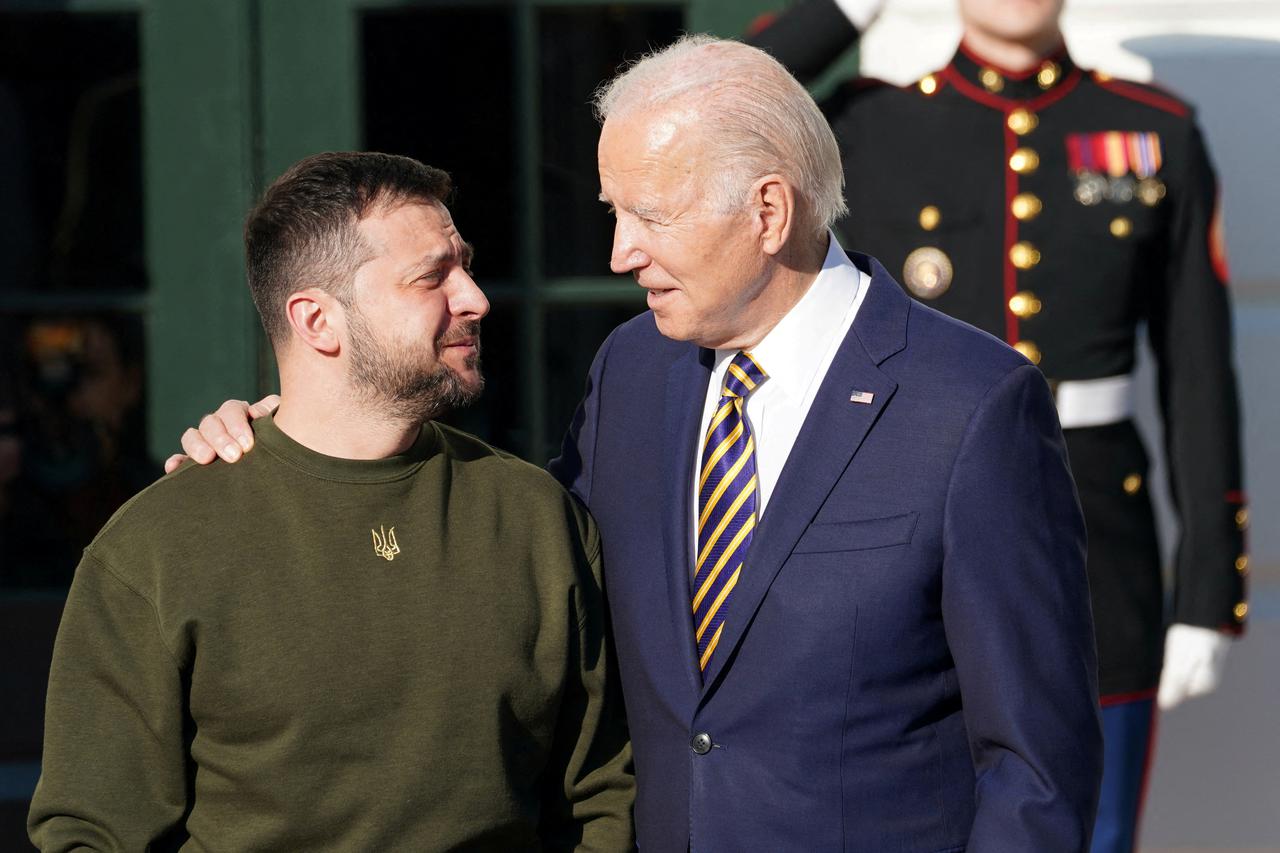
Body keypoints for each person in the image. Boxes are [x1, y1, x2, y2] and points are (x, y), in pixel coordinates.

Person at [174, 39, 1101, 851]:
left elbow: (1037, 767)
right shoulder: (635, 369)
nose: (620, 252)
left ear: (768, 213)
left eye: (649, 217)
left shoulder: (971, 405)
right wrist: (297, 447)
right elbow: (508, 562)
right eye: (616, 211)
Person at [748, 2, 1248, 849]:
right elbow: (731, 97)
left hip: (1097, 559)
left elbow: (1198, 375)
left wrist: (1209, 591)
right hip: (906, 553)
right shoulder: (871, 123)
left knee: (1093, 829)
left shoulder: (1151, 130)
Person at [29, 152, 634, 851]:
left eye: (463, 265)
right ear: (318, 321)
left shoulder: (534, 517)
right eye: (432, 276)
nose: (474, 297)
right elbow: (91, 831)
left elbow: (600, 794)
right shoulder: (157, 546)